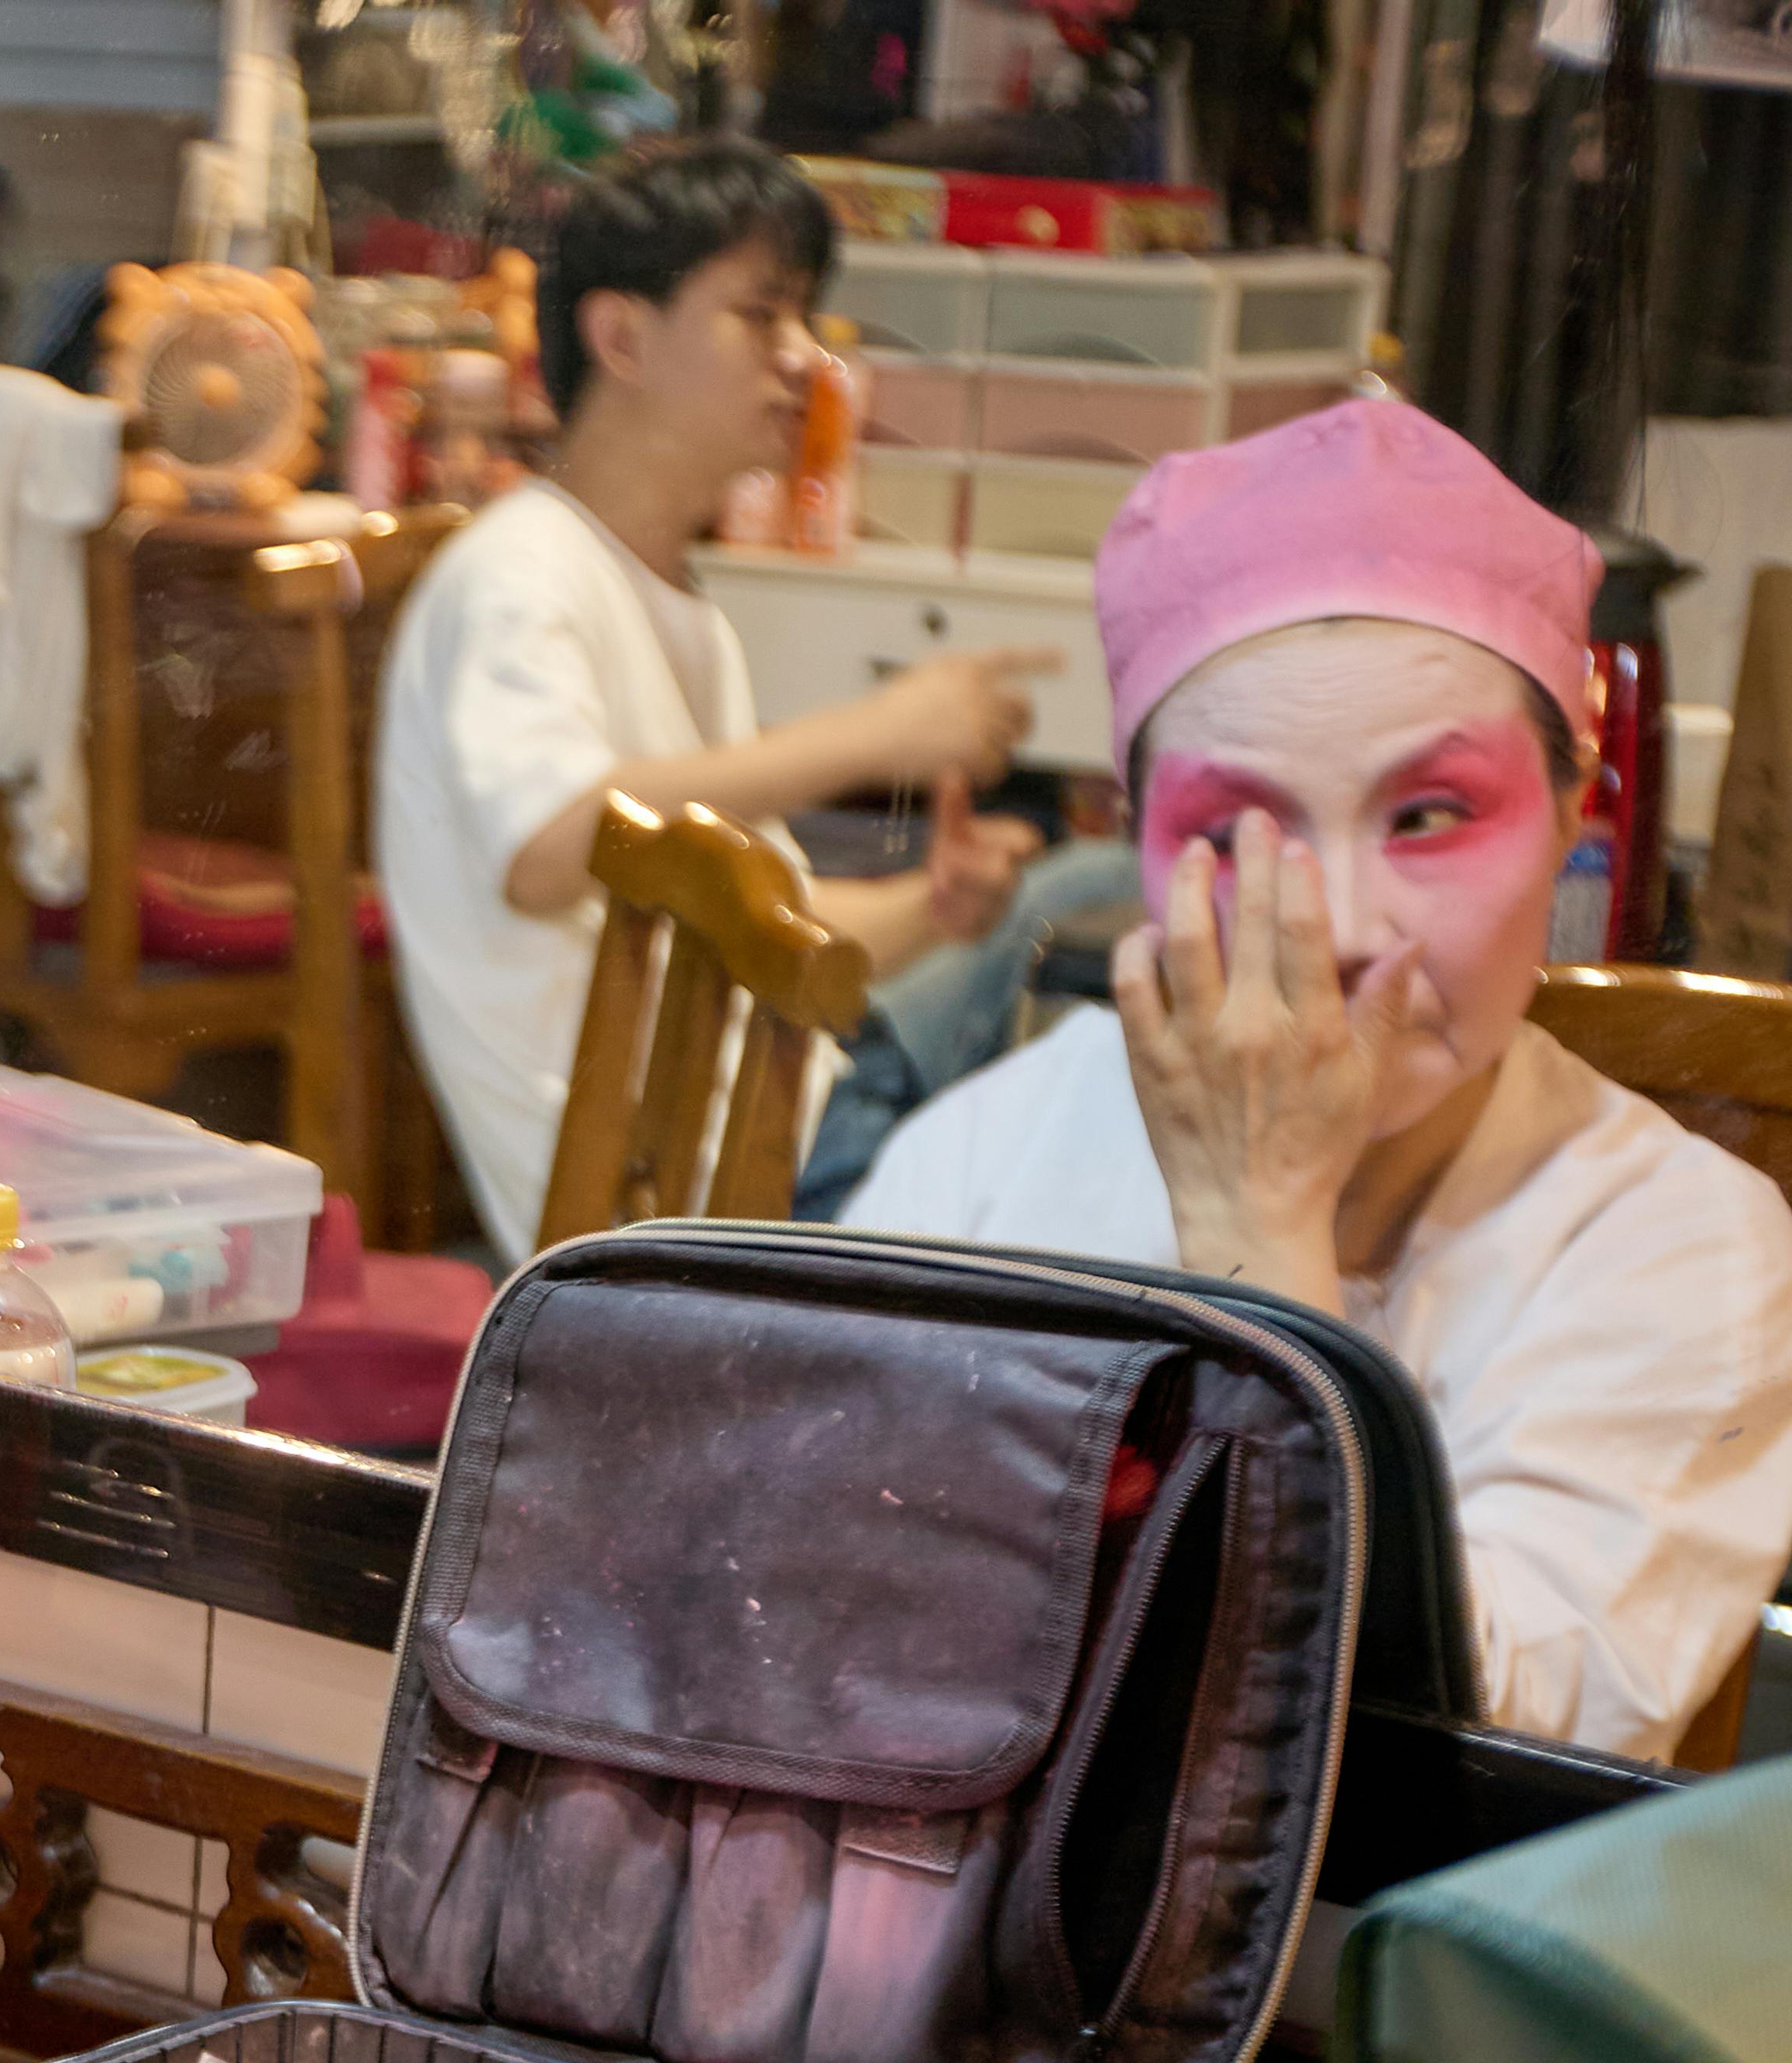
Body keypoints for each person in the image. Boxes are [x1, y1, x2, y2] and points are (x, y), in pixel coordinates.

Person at [844, 399, 1792, 1766]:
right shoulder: (985, 1154)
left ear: (1578, 801)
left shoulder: (1682, 1251)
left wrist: (1261, 1233)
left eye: (1428, 816)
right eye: (1237, 832)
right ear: (1135, 848)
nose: (1340, 926)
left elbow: (1449, 1779)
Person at [374, 132, 1111, 1261]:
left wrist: (936, 905)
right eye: (761, 315)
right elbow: (547, 840)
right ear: (620, 335)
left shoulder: (676, 603)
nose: (804, 357)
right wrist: (877, 734)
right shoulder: (519, 575)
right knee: (1126, 914)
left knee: (1091, 921)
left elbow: (762, 926)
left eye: (802, 318)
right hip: (689, 1202)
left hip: (776, 1140)